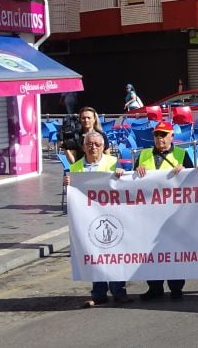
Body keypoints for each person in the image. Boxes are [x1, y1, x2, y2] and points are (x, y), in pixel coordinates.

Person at [66, 131, 129, 307]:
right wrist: (68, 184)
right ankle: (99, 293)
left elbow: (125, 185)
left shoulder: (112, 163)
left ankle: (119, 291)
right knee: (95, 255)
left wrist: (122, 173)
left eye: (97, 144)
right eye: (89, 144)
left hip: (113, 215)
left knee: (115, 255)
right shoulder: (75, 168)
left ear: (103, 146)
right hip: (89, 218)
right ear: (83, 146)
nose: (93, 147)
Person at [136, 121, 193, 300]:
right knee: (150, 252)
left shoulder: (181, 154)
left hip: (173, 213)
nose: (159, 138)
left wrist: (184, 171)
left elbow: (193, 180)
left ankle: (176, 287)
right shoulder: (143, 154)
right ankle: (155, 287)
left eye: (163, 134)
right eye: (157, 135)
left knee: (174, 250)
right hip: (149, 212)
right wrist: (136, 170)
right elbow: (130, 183)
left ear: (171, 136)